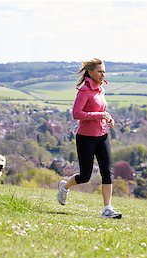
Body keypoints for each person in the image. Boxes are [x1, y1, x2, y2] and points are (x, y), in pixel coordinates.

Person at [57, 58, 122, 219]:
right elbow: (76, 114)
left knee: (107, 173)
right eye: (99, 71)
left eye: (104, 71)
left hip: (102, 136)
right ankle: (65, 186)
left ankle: (107, 208)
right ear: (90, 72)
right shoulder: (84, 91)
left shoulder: (101, 90)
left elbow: (101, 109)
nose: (102, 74)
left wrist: (108, 118)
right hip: (86, 138)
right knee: (85, 176)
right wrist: (101, 115)